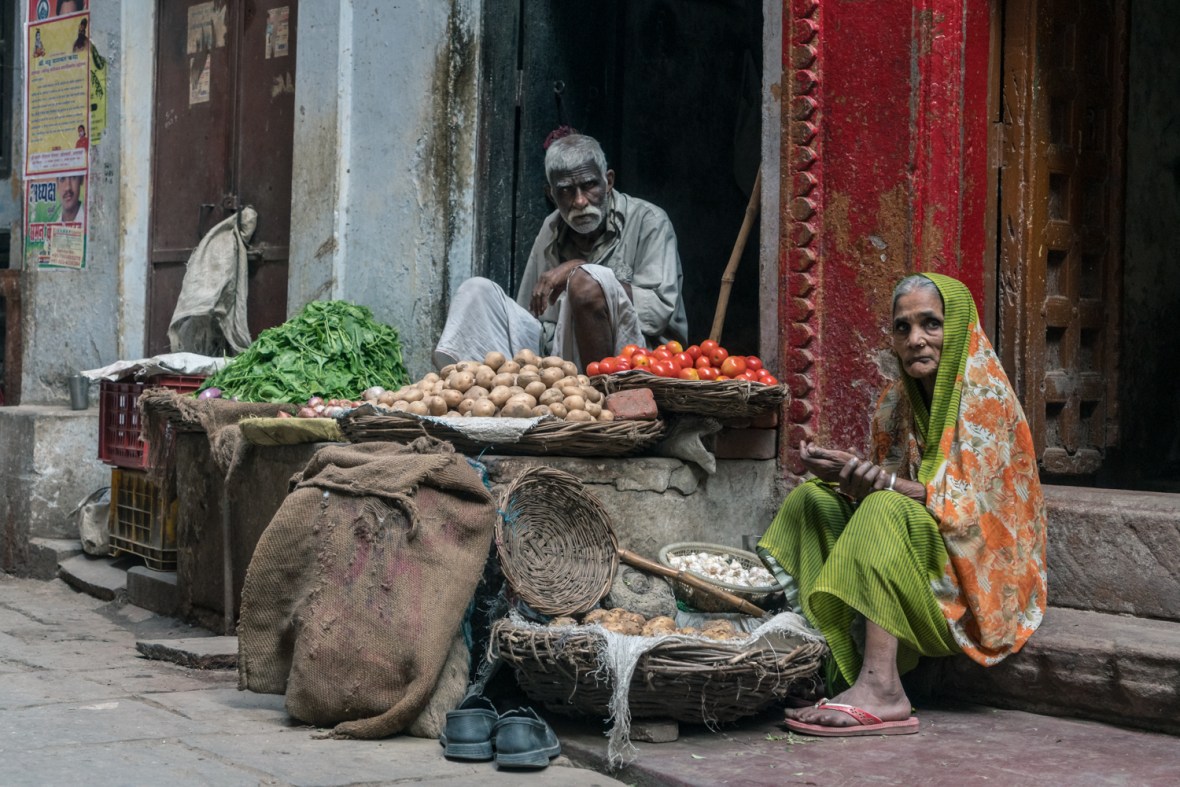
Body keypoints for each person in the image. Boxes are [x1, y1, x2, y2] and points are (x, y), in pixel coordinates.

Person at [759, 272, 1047, 737]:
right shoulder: (895, 403)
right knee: (812, 500)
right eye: (903, 328)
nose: (916, 339)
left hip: (974, 592)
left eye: (930, 324)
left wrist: (882, 486)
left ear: (957, 328)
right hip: (920, 567)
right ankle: (831, 667)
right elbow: (890, 494)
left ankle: (884, 689)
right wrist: (847, 476)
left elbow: (971, 514)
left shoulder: (987, 400)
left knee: (884, 508)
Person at [434, 133, 687, 370]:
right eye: (566, 190)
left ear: (608, 181)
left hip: (636, 360)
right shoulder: (552, 226)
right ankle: (459, 394)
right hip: (560, 362)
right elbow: (529, 315)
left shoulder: (649, 221)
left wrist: (579, 271)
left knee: (585, 284)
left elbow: (659, 312)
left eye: (589, 185)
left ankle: (598, 398)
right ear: (551, 194)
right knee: (476, 291)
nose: (579, 201)